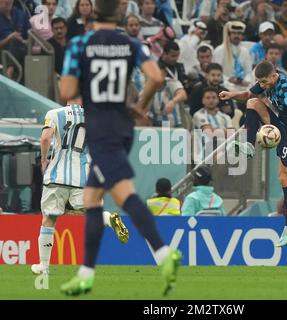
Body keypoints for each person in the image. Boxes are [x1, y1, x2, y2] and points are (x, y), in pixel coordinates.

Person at [59, 0, 181, 296]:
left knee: (123, 194)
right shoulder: (130, 44)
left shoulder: (80, 44)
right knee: (90, 198)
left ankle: (164, 254)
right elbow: (156, 77)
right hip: (122, 126)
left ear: (91, 13)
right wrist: (140, 105)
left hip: (102, 131)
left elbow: (66, 91)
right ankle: (86, 274)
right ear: (119, 14)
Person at [31, 100, 129, 275]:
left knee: (49, 219)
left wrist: (44, 159)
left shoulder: (55, 113)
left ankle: (43, 266)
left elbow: (46, 138)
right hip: (82, 176)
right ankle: (108, 218)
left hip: (57, 176)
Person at [219, 60, 287, 247]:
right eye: (259, 82)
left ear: (274, 76)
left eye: (263, 82)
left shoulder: (285, 87)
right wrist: (231, 94)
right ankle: (250, 146)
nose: (261, 85)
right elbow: (248, 94)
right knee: (253, 102)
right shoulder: (266, 81)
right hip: (282, 124)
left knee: (285, 177)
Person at [213, 21, 252, 91]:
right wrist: (229, 80)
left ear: (242, 36)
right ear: (229, 35)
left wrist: (245, 81)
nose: (236, 36)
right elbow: (215, 71)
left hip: (242, 86)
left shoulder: (245, 51)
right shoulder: (220, 50)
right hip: (225, 85)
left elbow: (248, 72)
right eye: (234, 33)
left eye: (239, 33)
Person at [149, 63, 187, 128]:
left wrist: (173, 101)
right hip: (155, 123)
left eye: (160, 74)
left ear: (165, 74)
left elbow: (183, 94)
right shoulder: (148, 85)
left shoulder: (171, 82)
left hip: (172, 124)